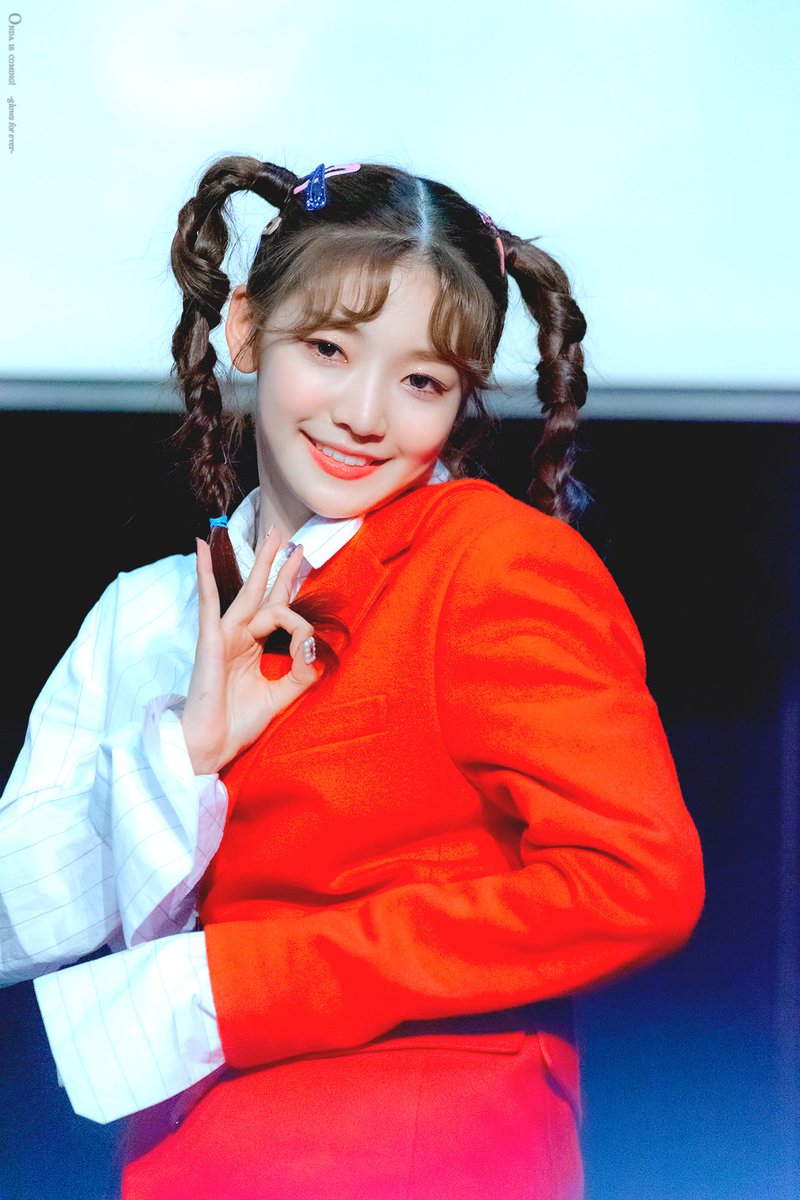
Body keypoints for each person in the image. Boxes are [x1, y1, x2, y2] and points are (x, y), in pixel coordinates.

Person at [0, 156, 705, 1200]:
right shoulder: (147, 615)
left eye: (421, 381)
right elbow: (17, 917)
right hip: (184, 1160)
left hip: (423, 1155)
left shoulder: (488, 562)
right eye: (329, 349)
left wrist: (248, 982)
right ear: (248, 328)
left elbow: (634, 882)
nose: (365, 413)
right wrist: (183, 753)